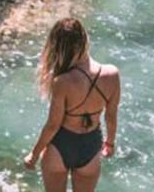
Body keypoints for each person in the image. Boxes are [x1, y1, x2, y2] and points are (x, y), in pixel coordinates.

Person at [24, 18, 121, 192]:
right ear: (85, 39)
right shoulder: (112, 74)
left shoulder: (62, 81)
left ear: (57, 47)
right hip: (91, 145)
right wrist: (110, 143)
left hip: (61, 145)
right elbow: (111, 117)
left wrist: (34, 154)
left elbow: (53, 125)